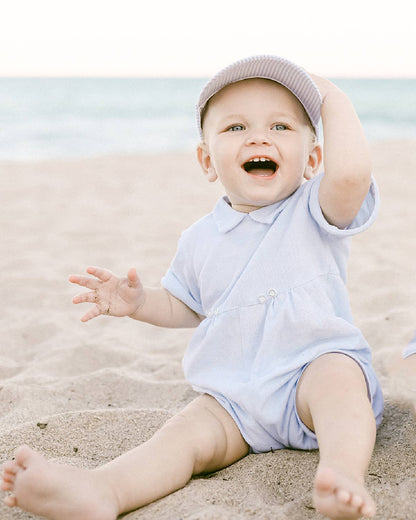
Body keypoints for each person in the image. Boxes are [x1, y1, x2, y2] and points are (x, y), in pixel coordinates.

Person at [1, 55, 384, 520]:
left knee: (339, 380)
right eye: (236, 127)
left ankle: (342, 475)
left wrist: (332, 99)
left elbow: (351, 176)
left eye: (282, 127)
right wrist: (140, 303)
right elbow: (188, 305)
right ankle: (104, 490)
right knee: (180, 436)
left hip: (309, 377)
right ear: (207, 161)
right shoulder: (200, 238)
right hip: (235, 399)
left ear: (313, 159)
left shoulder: (314, 210)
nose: (259, 137)